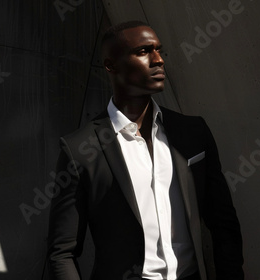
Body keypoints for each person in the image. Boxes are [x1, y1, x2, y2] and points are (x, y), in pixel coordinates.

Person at [47, 20, 244, 280]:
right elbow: (62, 253)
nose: (158, 60)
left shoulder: (192, 133)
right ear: (111, 65)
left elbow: (223, 222)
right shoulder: (80, 150)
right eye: (143, 52)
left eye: (159, 50)